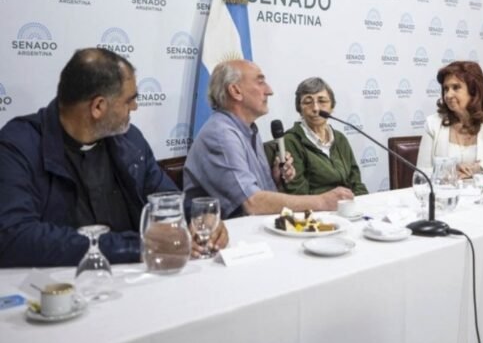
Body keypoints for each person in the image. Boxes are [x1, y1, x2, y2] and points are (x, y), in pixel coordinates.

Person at [0, 48, 227, 267]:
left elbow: (166, 198)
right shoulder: (18, 146)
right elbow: (14, 236)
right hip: (60, 283)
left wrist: (201, 219)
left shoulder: (130, 140)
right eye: (129, 100)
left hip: (137, 276)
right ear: (98, 106)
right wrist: (136, 246)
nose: (135, 107)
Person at [184, 60, 354, 219]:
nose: (269, 90)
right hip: (222, 238)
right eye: (260, 82)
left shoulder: (249, 130)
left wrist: (276, 179)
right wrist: (322, 202)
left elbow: (260, 195)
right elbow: (252, 203)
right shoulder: (221, 135)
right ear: (235, 91)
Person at [416, 61, 483, 179]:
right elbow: (421, 173)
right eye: (446, 89)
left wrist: (480, 167)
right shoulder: (433, 124)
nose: (448, 95)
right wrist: (449, 172)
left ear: (473, 91)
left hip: (482, 194)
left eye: (456, 87)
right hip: (445, 194)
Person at [274, 77, 368, 195]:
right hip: (317, 210)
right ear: (299, 108)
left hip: (348, 208)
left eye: (322, 101)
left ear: (332, 107)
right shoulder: (291, 141)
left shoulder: (340, 138)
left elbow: (356, 183)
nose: (316, 108)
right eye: (308, 102)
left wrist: (363, 204)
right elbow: (298, 192)